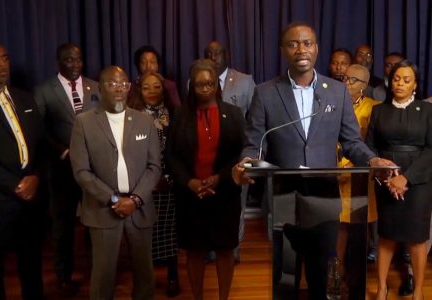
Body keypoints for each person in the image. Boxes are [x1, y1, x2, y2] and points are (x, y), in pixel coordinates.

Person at [232, 22, 396, 299]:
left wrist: (373, 160)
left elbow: (352, 142)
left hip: (324, 193)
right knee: (286, 272)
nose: (301, 49)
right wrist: (246, 162)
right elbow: (254, 142)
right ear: (283, 50)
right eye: (294, 44)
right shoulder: (266, 92)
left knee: (321, 269)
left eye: (307, 43)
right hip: (285, 193)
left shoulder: (336, 91)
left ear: (316, 48)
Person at [69, 66, 161, 300]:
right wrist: (114, 200)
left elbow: (154, 167)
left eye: (123, 83)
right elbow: (81, 171)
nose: (118, 88)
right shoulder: (84, 123)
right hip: (103, 209)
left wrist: (136, 200)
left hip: (139, 208)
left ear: (129, 87)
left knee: (144, 273)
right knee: (103, 274)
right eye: (111, 84)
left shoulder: (144, 121)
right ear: (100, 89)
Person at [167, 59, 245, 300]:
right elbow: (170, 154)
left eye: (210, 84)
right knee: (195, 251)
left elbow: (240, 153)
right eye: (199, 85)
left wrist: (219, 178)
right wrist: (189, 182)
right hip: (190, 194)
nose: (205, 89)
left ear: (216, 85)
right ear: (192, 86)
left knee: (224, 250)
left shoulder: (233, 113)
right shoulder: (180, 115)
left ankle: (224, 297)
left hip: (224, 193)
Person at [34, 42, 100, 295]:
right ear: (58, 62)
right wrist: (63, 151)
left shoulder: (95, 86)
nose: (75, 64)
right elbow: (39, 129)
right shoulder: (43, 90)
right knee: (63, 227)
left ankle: (97, 272)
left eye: (78, 60)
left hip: (94, 170)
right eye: (69, 60)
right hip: (61, 170)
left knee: (94, 222)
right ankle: (64, 276)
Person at [0, 42, 46, 299]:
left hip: (31, 195)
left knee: (31, 260)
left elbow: (41, 143)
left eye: (5, 58)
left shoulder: (23, 97)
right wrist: (14, 185)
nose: (2, 64)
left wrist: (35, 177)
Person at [365, 60, 432, 300]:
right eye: (396, 79)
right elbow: (370, 147)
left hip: (419, 181)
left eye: (406, 80)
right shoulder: (378, 111)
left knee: (417, 237)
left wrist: (406, 178)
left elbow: (431, 150)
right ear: (389, 81)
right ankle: (382, 288)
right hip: (386, 179)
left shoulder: (427, 111)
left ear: (415, 84)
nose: (400, 83)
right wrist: (383, 171)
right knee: (386, 235)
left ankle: (418, 291)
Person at [204, 40, 256, 263]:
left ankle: (234, 245)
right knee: (209, 203)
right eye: (209, 53)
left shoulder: (245, 81)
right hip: (206, 157)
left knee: (237, 204)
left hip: (236, 154)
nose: (213, 57)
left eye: (217, 53)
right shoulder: (196, 80)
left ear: (227, 55)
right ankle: (210, 246)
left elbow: (255, 119)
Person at [129, 71, 180, 297]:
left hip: (170, 181)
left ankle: (172, 277)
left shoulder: (174, 114)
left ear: (164, 89)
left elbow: (180, 149)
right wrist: (151, 178)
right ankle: (144, 280)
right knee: (145, 233)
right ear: (139, 90)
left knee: (170, 231)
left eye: (157, 87)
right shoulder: (133, 116)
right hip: (143, 183)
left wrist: (169, 176)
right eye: (146, 87)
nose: (151, 91)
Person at [336, 64, 380, 299]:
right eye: (344, 78)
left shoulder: (374, 108)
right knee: (339, 229)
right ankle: (336, 276)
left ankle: (356, 281)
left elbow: (373, 143)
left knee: (359, 229)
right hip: (334, 174)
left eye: (352, 80)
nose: (346, 83)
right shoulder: (332, 103)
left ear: (363, 86)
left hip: (362, 177)